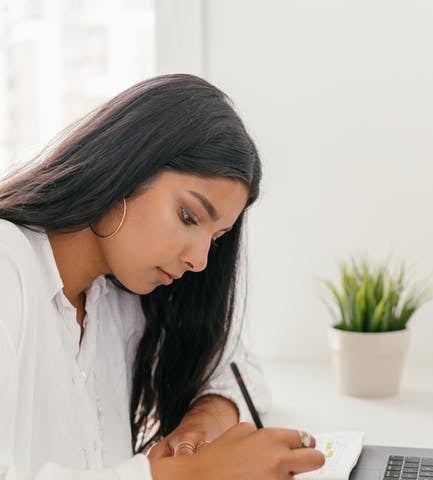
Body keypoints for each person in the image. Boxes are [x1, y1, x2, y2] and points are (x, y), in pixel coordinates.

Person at [0, 74, 325, 479]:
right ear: (125, 168)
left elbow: (236, 370)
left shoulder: (116, 299)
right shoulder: (8, 266)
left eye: (216, 239)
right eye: (189, 216)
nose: (201, 260)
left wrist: (203, 425)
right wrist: (189, 475)